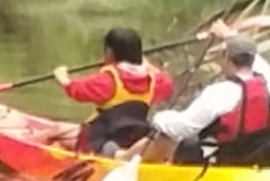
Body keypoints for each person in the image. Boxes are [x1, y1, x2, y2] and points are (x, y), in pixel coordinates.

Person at [117, 19, 270, 167]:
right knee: (177, 134)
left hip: (222, 156)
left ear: (226, 57)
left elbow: (185, 127)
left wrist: (159, 118)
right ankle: (130, 157)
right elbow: (259, 63)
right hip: (252, 152)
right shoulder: (269, 83)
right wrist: (229, 35)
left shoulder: (221, 93)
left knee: (165, 134)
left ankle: (123, 161)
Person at [35, 27, 174, 156]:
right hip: (135, 140)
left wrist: (63, 78)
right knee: (64, 130)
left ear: (110, 52)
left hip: (99, 141)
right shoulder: (153, 80)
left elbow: (77, 91)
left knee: (54, 131)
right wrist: (145, 63)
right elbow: (166, 83)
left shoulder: (107, 80)